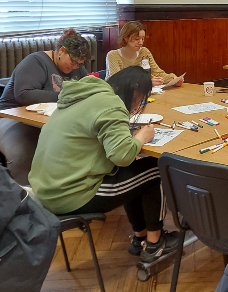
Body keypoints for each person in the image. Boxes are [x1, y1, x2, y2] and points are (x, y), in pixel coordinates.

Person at [28, 66, 179, 261]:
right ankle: (154, 244)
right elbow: (123, 156)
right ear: (134, 89)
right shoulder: (111, 104)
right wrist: (141, 137)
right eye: (141, 99)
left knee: (135, 172)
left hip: (46, 190)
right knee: (157, 168)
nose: (137, 105)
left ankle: (140, 237)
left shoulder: (84, 97)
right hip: (71, 194)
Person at [0, 29, 90, 184]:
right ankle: (27, 200)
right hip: (8, 117)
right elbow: (24, 95)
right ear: (62, 51)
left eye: (79, 64)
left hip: (47, 121)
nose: (75, 67)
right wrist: (67, 96)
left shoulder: (77, 69)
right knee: (23, 153)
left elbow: (86, 90)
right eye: (73, 61)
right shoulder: (36, 62)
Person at [106, 21, 183, 87]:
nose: (141, 43)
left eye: (142, 39)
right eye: (137, 39)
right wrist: (147, 84)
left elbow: (158, 73)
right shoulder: (113, 55)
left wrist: (174, 79)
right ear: (125, 38)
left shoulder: (144, 52)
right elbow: (118, 83)